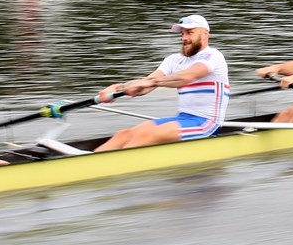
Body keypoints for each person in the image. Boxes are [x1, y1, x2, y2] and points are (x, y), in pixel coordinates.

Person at [94, 15, 230, 150]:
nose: (184, 38)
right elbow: (144, 86)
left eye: (190, 32)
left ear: (205, 33)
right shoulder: (174, 60)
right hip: (183, 119)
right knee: (124, 134)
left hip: (207, 124)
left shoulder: (213, 56)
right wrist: (117, 87)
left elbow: (187, 77)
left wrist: (153, 82)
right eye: (182, 34)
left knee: (147, 136)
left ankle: (113, 165)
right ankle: (90, 162)